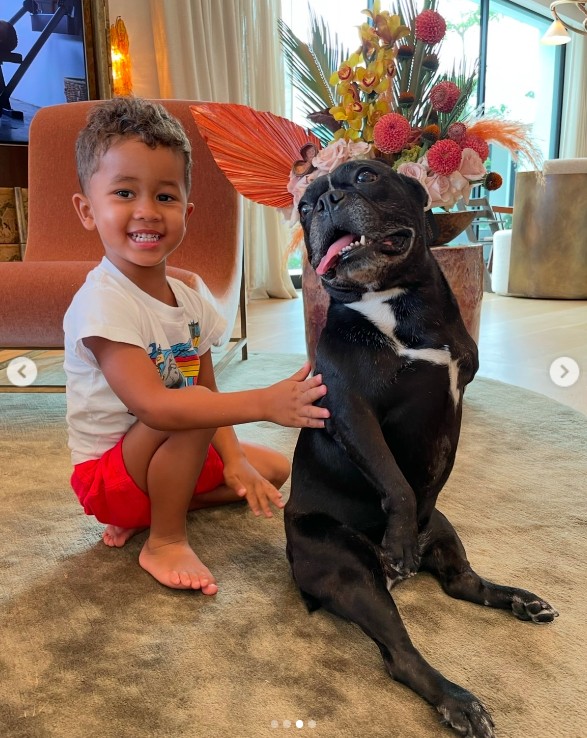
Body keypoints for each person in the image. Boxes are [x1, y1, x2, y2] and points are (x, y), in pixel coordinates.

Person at [64, 97, 329, 595]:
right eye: (124, 193)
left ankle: (158, 507)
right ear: (87, 210)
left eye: (164, 197)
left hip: (159, 457)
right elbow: (159, 407)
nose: (146, 211)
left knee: (270, 469)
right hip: (107, 478)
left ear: (186, 211)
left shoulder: (189, 299)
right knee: (187, 406)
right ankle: (163, 539)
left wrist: (232, 459)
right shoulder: (101, 304)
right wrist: (264, 404)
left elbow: (206, 388)